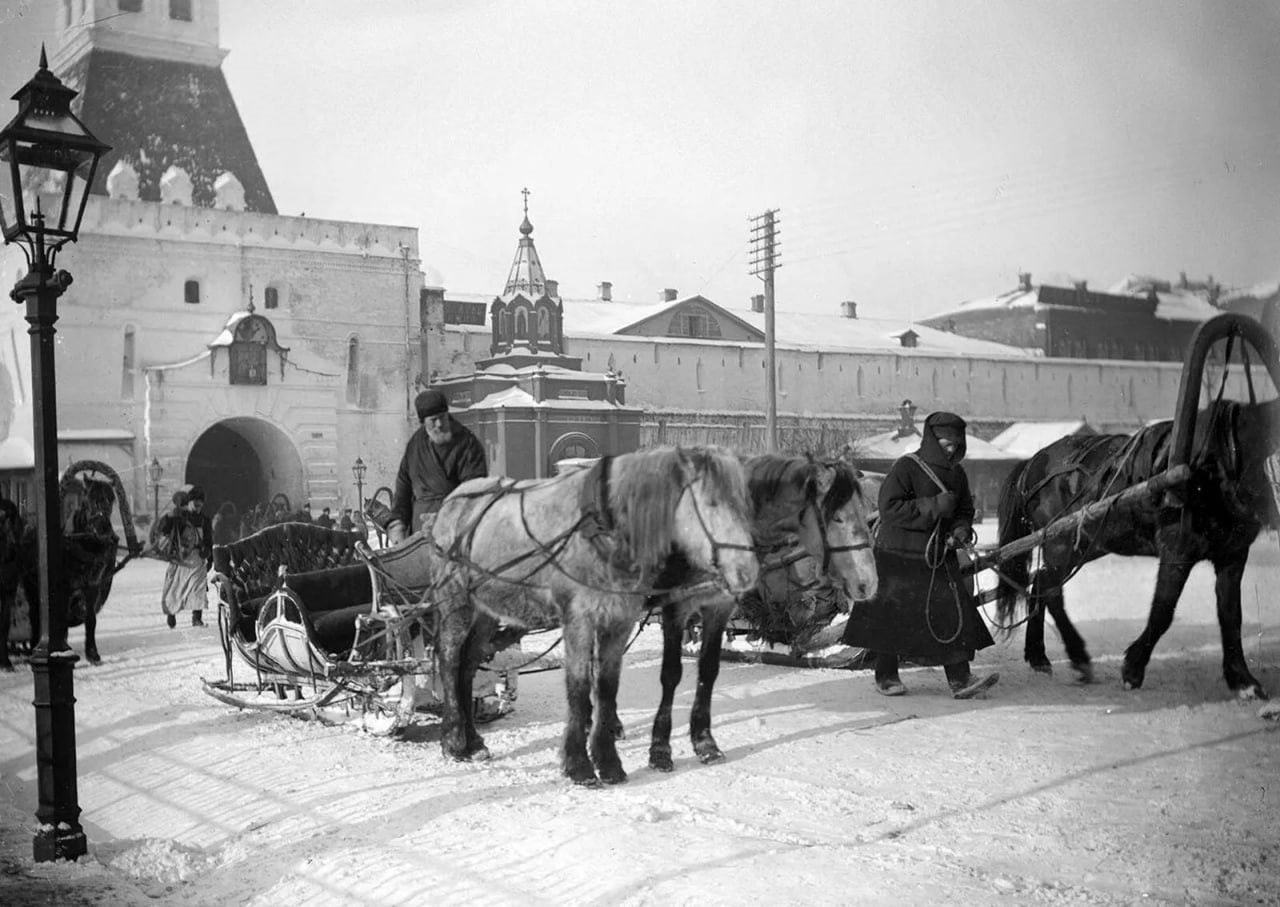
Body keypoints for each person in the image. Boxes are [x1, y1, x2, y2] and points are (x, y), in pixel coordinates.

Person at [842, 411, 998, 699]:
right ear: (930, 440)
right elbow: (889, 508)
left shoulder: (957, 473)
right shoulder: (907, 467)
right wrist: (934, 505)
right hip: (898, 554)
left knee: (951, 614)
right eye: (944, 443)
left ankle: (960, 679)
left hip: (938, 556)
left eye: (955, 444)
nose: (950, 449)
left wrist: (962, 529)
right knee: (892, 618)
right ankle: (886, 675)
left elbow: (963, 509)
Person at [387, 389, 487, 543]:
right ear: (423, 422)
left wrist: (445, 518)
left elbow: (474, 492)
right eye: (433, 420)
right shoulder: (415, 445)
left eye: (442, 418)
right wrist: (397, 524)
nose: (439, 424)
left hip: (455, 531)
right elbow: (403, 487)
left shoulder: (467, 443)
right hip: (419, 533)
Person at [157, 485, 214, 629]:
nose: (198, 507)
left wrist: (209, 556)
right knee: (175, 587)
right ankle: (171, 613)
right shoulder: (180, 516)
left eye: (201, 504)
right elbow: (163, 528)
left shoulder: (205, 520)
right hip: (181, 557)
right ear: (190, 502)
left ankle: (197, 618)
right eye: (195, 504)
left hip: (197, 558)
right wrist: (169, 517)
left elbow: (209, 540)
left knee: (198, 588)